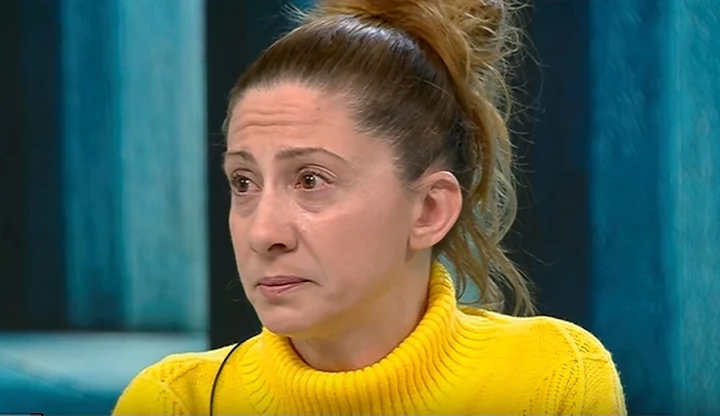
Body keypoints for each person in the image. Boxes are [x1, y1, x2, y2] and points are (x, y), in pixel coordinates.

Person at [113, 0, 626, 414]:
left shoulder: (551, 379)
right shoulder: (176, 401)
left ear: (429, 211)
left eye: (310, 180)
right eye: (243, 183)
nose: (262, 233)